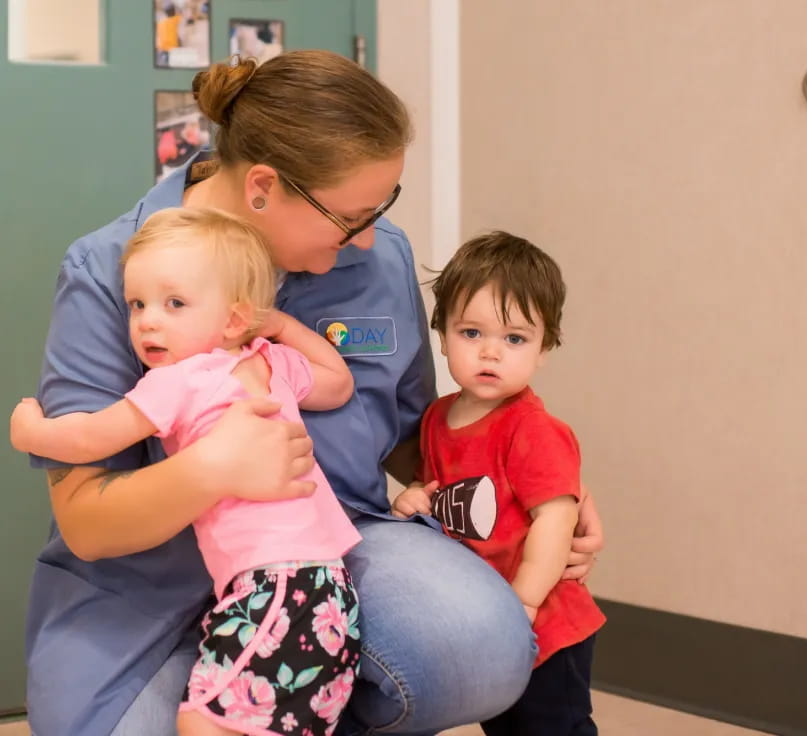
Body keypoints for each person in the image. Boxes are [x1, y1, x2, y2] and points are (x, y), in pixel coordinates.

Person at [22, 50, 603, 736]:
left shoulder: (378, 255)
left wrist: (538, 489)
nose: (367, 241)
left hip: (329, 558)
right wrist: (211, 468)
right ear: (263, 187)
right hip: (144, 591)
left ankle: (295, 699)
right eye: (352, 216)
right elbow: (87, 520)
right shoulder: (115, 270)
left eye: (381, 207)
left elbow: (420, 440)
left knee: (479, 646)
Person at [12, 207, 362, 736]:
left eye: (174, 303)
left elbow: (89, 438)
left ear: (233, 319)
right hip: (329, 585)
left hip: (272, 587)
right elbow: (339, 381)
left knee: (202, 721)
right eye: (137, 304)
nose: (149, 320)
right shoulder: (270, 362)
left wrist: (30, 431)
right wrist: (286, 329)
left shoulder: (180, 380)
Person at [391, 231, 606, 735]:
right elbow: (438, 491)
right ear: (441, 336)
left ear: (544, 348)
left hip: (546, 626)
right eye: (471, 334)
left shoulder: (532, 429)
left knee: (552, 727)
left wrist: (525, 601)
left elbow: (555, 519)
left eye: (515, 339)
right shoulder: (438, 418)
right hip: (490, 622)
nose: (491, 353)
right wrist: (414, 498)